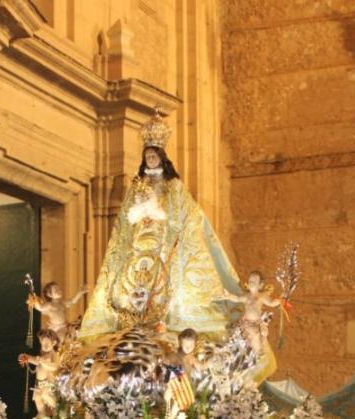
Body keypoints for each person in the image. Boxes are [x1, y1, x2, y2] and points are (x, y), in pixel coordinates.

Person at [78, 113, 240, 339]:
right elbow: (124, 220)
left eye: (154, 156)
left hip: (164, 241)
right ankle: (131, 317)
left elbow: (188, 211)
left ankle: (167, 319)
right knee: (131, 279)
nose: (151, 159)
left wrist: (165, 218)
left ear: (161, 157)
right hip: (139, 240)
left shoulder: (172, 186)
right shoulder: (137, 186)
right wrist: (138, 215)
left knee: (168, 281)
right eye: (148, 156)